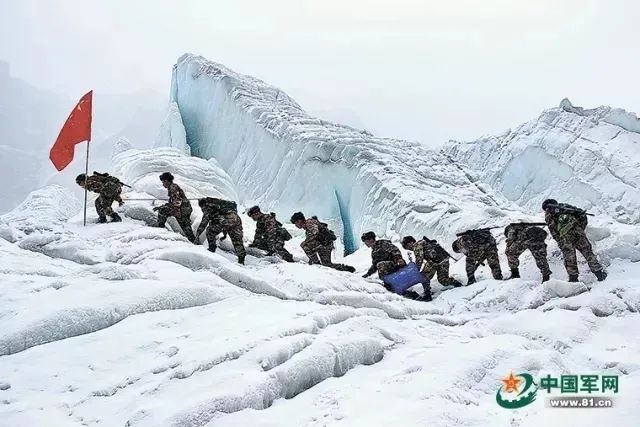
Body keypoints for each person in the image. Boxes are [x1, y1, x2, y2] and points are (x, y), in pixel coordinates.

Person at [542, 199, 606, 282]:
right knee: (588, 253)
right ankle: (599, 274)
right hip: (578, 233)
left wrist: (560, 241)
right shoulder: (566, 208)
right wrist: (579, 229)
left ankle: (573, 279)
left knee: (569, 258)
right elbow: (582, 216)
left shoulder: (549, 213)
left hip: (565, 238)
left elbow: (553, 230)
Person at [362, 232, 430, 301]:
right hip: (388, 270)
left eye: (365, 241)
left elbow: (395, 250)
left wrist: (399, 259)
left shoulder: (383, 244)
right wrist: (367, 274)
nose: (365, 243)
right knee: (390, 285)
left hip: (396, 265)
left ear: (370, 239)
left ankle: (427, 293)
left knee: (380, 265)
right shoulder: (374, 251)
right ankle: (406, 293)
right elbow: (374, 265)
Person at [290, 212, 355, 272]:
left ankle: (316, 263)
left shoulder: (309, 223)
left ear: (299, 221)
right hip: (324, 244)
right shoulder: (308, 226)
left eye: (295, 223)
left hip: (324, 244)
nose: (296, 225)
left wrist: (305, 242)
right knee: (326, 264)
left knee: (304, 245)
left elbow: (315, 233)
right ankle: (345, 268)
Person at [196, 197, 246, 264]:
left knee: (209, 231)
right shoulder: (219, 203)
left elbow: (204, 223)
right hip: (236, 219)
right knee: (237, 240)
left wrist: (197, 234)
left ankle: (212, 248)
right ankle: (241, 259)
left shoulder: (208, 207)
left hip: (225, 220)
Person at [154, 172, 196, 243]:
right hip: (185, 209)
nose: (162, 184)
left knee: (162, 210)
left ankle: (160, 228)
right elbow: (174, 202)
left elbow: (177, 201)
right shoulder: (173, 187)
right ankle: (195, 242)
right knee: (187, 229)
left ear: (166, 181)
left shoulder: (173, 187)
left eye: (163, 181)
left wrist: (176, 212)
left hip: (182, 210)